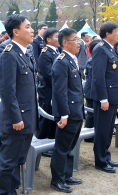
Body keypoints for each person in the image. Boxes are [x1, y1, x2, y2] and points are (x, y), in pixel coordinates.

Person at [0, 15, 38, 195]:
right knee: (8, 161)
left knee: (18, 159)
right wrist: (15, 118)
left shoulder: (24, 52)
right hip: (16, 120)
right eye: (28, 27)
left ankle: (12, 188)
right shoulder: (9, 54)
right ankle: (5, 192)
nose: (32, 30)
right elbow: (7, 91)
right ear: (16, 31)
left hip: (27, 117)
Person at [50, 28, 85, 193]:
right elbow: (60, 92)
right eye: (75, 39)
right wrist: (64, 114)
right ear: (65, 43)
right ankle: (57, 179)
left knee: (70, 145)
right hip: (68, 112)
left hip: (76, 110)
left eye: (79, 39)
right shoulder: (61, 61)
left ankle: (66, 175)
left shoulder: (72, 59)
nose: (79, 42)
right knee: (62, 147)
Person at [91, 22, 118, 173]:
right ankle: (100, 161)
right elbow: (98, 77)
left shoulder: (109, 48)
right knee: (102, 130)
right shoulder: (100, 49)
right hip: (105, 98)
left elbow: (111, 73)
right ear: (108, 34)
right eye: (116, 31)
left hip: (113, 95)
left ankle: (105, 156)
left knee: (108, 129)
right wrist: (103, 99)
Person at [37, 28, 60, 145]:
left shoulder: (56, 51)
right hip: (48, 92)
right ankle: (42, 143)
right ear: (49, 39)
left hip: (55, 91)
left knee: (53, 119)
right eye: (56, 36)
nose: (59, 38)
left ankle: (51, 141)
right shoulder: (45, 54)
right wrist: (62, 84)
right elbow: (49, 75)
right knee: (46, 121)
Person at [83, 40, 101, 142]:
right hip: (90, 90)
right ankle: (88, 136)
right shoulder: (92, 60)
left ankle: (91, 134)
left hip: (92, 89)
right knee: (90, 114)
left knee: (93, 114)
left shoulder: (94, 58)